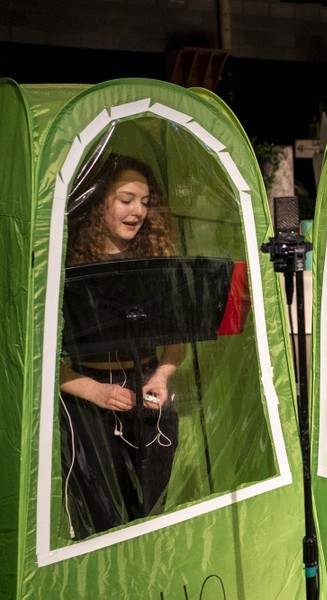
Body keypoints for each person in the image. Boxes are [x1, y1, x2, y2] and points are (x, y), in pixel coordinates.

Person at [58, 152, 185, 539]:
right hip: (85, 403)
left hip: (146, 396)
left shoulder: (155, 261)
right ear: (99, 202)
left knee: (151, 512)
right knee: (102, 519)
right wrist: (93, 390)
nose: (138, 211)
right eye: (127, 199)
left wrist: (160, 377)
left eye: (145, 202)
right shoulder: (64, 265)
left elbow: (177, 340)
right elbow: (33, 352)